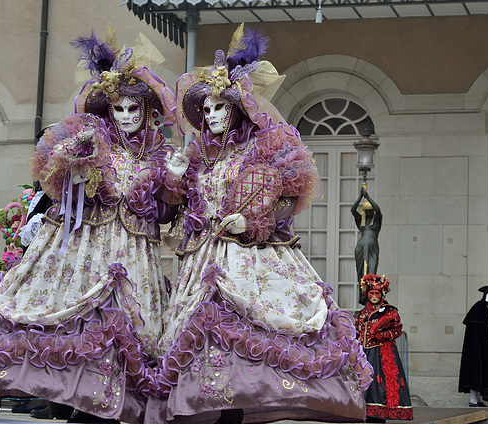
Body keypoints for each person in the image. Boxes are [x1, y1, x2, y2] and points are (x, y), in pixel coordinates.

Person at [0, 28, 182, 424]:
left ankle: (115, 403)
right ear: (108, 110)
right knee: (79, 322)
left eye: (133, 110)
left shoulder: (160, 155)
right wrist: (76, 167)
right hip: (88, 250)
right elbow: (60, 186)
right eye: (119, 109)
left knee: (128, 328)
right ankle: (77, 400)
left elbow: (163, 215)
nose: (125, 117)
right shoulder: (91, 141)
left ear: (147, 113)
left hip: (136, 255)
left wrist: (173, 182)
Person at [145, 25, 373, 424]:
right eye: (208, 109)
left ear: (237, 109)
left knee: (253, 328)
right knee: (203, 331)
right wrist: (177, 177)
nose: (212, 115)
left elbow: (285, 201)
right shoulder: (199, 156)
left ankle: (245, 407)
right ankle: (209, 407)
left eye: (221, 108)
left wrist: (251, 220)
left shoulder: (263, 147)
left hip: (254, 258)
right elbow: (176, 209)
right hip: (204, 258)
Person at [355, 274, 413, 422]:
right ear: (367, 294)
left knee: (379, 389)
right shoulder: (363, 313)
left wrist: (382, 335)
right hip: (363, 355)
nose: (374, 296)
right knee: (363, 390)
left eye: (377, 293)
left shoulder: (389, 311)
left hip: (380, 355)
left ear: (382, 294)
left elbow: (397, 330)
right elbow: (357, 331)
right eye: (371, 293)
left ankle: (378, 418)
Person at [458, 285, 488, 407]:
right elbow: (476, 331)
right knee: (475, 372)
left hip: (484, 348)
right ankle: (473, 400)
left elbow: (486, 327)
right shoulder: (478, 309)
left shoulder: (485, 310)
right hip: (476, 349)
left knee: (482, 372)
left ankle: (477, 400)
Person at [351, 187, 383, 305]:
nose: (369, 212)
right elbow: (353, 210)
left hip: (373, 247)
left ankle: (371, 295)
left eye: (371, 210)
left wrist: (368, 196)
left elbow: (378, 210)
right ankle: (363, 297)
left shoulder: (377, 221)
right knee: (361, 272)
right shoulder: (361, 220)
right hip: (361, 246)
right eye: (367, 210)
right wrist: (360, 197)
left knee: (372, 271)